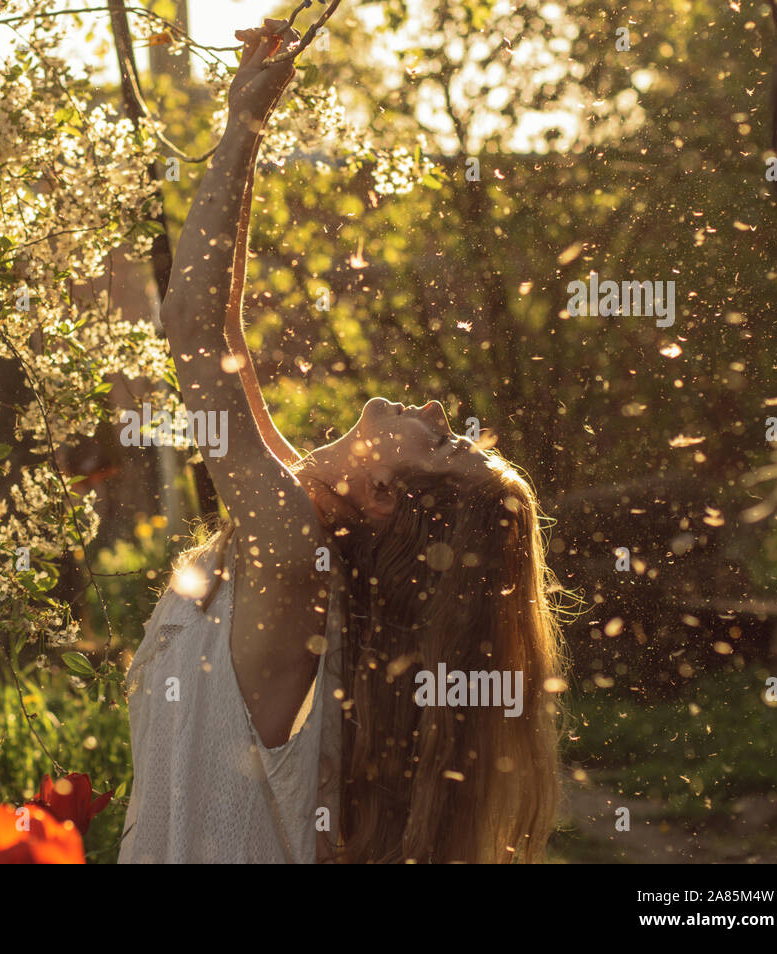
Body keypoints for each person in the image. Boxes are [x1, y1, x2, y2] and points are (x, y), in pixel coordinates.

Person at [119, 18, 566, 864]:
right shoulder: (301, 534)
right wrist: (250, 104)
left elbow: (189, 325)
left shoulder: (293, 559)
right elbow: (224, 337)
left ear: (387, 497)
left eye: (445, 443)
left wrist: (248, 119)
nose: (435, 409)